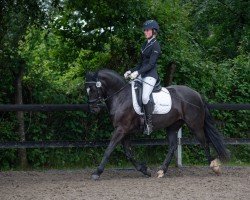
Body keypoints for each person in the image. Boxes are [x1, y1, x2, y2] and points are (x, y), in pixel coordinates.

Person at [124, 20, 161, 135]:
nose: (145, 32)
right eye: (145, 30)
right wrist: (131, 71)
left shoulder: (156, 45)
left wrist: (138, 73)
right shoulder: (145, 44)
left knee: (145, 97)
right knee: (130, 90)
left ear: (153, 31)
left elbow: (151, 64)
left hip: (150, 75)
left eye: (147, 30)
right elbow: (140, 63)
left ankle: (149, 124)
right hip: (142, 74)